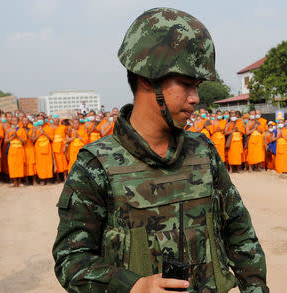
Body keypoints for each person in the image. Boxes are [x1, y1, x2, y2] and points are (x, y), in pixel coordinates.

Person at [53, 8, 267, 293]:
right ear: (147, 78)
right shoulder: (96, 166)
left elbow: (240, 233)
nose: (195, 99)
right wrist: (134, 286)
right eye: (187, 85)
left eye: (198, 86)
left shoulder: (203, 152)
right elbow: (71, 260)